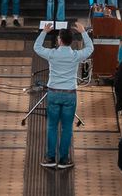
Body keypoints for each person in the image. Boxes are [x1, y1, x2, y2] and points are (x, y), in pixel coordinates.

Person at [35, 21, 93, 169]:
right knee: (67, 127)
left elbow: (36, 47)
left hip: (53, 93)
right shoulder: (75, 55)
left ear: (59, 40)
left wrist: (44, 32)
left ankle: (50, 158)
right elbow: (90, 48)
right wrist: (83, 32)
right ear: (71, 41)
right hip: (70, 94)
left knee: (52, 126)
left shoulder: (52, 54)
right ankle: (64, 159)